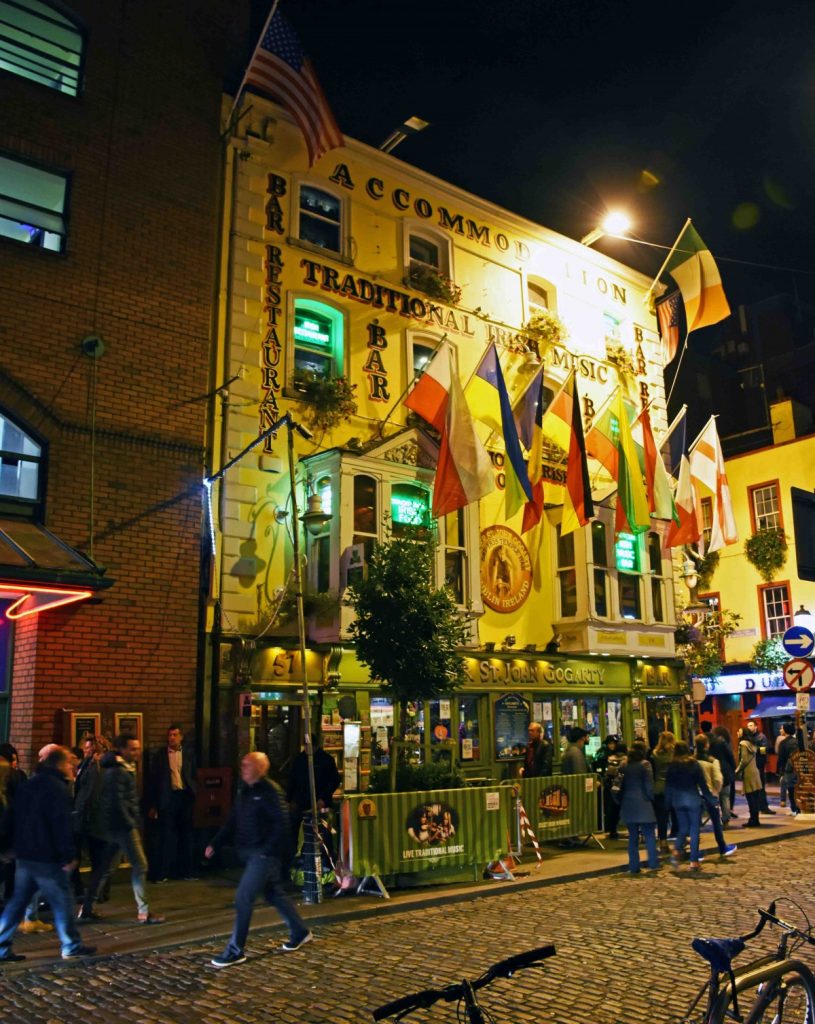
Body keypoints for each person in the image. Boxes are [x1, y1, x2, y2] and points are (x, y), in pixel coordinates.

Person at [205, 752, 311, 968]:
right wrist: (215, 843)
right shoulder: (245, 792)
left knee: (243, 897)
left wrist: (266, 851)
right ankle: (300, 931)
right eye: (243, 764)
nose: (243, 768)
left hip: (264, 856)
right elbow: (233, 820)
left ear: (260, 769)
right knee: (274, 894)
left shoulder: (270, 791)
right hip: (253, 853)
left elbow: (282, 824)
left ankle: (235, 950)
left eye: (247, 765)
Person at [0, 746, 95, 962]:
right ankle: (71, 945)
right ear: (60, 764)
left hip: (25, 854)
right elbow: (60, 824)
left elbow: (12, 816)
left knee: (17, 902)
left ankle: (1, 946)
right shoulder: (57, 788)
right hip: (47, 857)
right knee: (62, 901)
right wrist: (68, 854)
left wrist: (7, 846)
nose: (72, 767)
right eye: (70, 763)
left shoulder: (29, 784)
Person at [79, 734, 165, 925]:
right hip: (123, 827)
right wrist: (131, 823)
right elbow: (117, 802)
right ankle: (144, 912)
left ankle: (87, 908)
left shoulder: (119, 768)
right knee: (140, 865)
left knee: (105, 869)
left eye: (138, 748)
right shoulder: (117, 771)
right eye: (133, 749)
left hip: (114, 827)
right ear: (122, 750)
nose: (137, 752)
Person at [146, 724, 198, 882]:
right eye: (170, 735)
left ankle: (187, 871)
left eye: (175, 735)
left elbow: (192, 773)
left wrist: (193, 790)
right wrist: (154, 804)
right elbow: (154, 780)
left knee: (186, 835)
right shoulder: (160, 756)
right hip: (168, 798)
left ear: (181, 737)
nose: (172, 738)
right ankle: (163, 872)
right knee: (166, 836)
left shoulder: (188, 753)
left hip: (184, 796)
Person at [664, 740, 715, 871]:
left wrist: (667, 803)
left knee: (683, 828)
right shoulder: (694, 764)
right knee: (694, 830)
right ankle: (693, 861)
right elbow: (702, 784)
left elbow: (668, 786)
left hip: (678, 800)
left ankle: (676, 850)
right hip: (692, 798)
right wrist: (711, 799)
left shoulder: (672, 765)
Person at [616, 740, 659, 874]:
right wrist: (652, 799)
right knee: (649, 836)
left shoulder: (623, 765)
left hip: (628, 803)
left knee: (632, 837)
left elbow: (617, 785)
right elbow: (649, 786)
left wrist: (619, 800)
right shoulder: (645, 765)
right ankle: (653, 864)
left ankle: (634, 866)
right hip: (644, 803)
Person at [695, 734, 737, 860]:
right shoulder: (712, 761)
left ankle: (696, 852)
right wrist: (715, 792)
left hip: (695, 794)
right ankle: (722, 847)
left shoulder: (692, 761)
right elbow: (718, 780)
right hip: (709, 794)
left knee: (695, 825)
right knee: (716, 822)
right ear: (707, 745)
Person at [593, 735, 626, 840]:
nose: (612, 745)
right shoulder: (603, 754)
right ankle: (611, 828)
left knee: (613, 807)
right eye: (610, 743)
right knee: (610, 807)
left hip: (614, 784)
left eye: (613, 743)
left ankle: (612, 827)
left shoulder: (615, 755)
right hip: (609, 784)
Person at [651, 731, 677, 854]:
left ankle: (663, 842)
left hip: (658, 788)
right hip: (672, 788)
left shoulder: (654, 755)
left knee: (662, 818)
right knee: (676, 814)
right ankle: (679, 838)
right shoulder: (674, 754)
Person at [709, 726, 737, 824]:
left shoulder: (709, 743)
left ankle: (715, 818)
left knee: (715, 796)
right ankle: (726, 818)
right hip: (724, 771)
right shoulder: (723, 743)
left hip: (713, 770)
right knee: (725, 796)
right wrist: (734, 768)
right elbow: (730, 756)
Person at [736, 726, 763, 828]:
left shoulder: (743, 744)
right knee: (754, 797)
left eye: (739, 731)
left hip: (748, 772)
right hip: (754, 771)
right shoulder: (752, 743)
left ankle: (753, 820)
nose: (737, 732)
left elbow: (744, 760)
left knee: (750, 797)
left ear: (743, 734)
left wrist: (737, 770)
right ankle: (755, 819)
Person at [745, 720, 774, 813]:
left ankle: (764, 807)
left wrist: (754, 749)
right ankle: (756, 807)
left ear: (756, 726)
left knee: (760, 786)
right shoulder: (747, 738)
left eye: (751, 725)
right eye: (748, 725)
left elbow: (765, 749)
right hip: (750, 765)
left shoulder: (761, 737)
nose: (749, 727)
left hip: (759, 764)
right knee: (753, 788)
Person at [776, 722, 802, 816]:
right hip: (798, 768)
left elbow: (781, 758)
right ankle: (799, 808)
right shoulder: (796, 741)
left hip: (789, 769)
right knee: (798, 789)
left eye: (782, 728)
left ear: (786, 730)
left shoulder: (783, 743)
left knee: (791, 790)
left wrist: (779, 771)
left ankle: (794, 809)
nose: (780, 730)